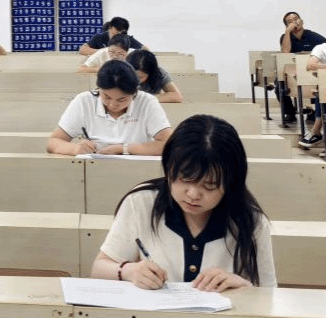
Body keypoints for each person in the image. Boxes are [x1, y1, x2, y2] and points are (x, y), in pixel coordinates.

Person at [90, 114, 276, 291]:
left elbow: (269, 294)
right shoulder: (141, 203)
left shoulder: (252, 221)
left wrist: (244, 286)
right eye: (185, 179)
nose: (193, 194)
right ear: (169, 168)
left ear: (231, 183)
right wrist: (129, 271)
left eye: (209, 186)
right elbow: (99, 269)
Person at [47, 61, 173, 156]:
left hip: (138, 169)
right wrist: (76, 149)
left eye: (122, 100)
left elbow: (169, 145)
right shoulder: (84, 101)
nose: (113, 105)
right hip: (94, 168)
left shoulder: (147, 102)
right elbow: (53, 142)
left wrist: (123, 149)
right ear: (98, 89)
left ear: (135, 93)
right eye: (106, 97)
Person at [79, 17, 144, 56]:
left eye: (120, 34)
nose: (117, 37)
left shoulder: (128, 38)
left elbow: (144, 50)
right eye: (115, 33)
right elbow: (83, 50)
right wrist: (104, 52)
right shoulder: (99, 37)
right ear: (110, 28)